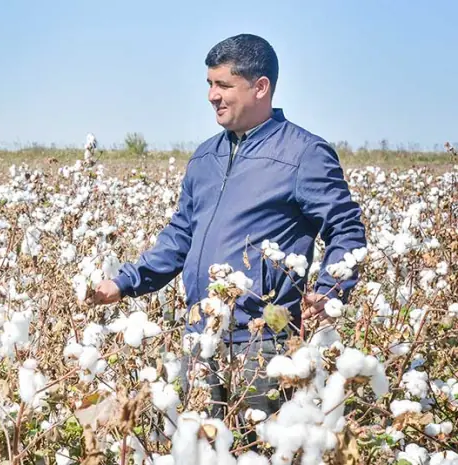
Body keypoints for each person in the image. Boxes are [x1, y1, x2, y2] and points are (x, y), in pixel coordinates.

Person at [92, 34, 367, 421]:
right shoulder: (205, 156)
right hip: (201, 338)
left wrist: (328, 293)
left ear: (260, 87)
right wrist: (124, 282)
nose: (212, 95)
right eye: (209, 84)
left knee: (259, 449)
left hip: (263, 343)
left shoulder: (304, 154)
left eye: (223, 85)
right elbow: (180, 236)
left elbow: (347, 230)